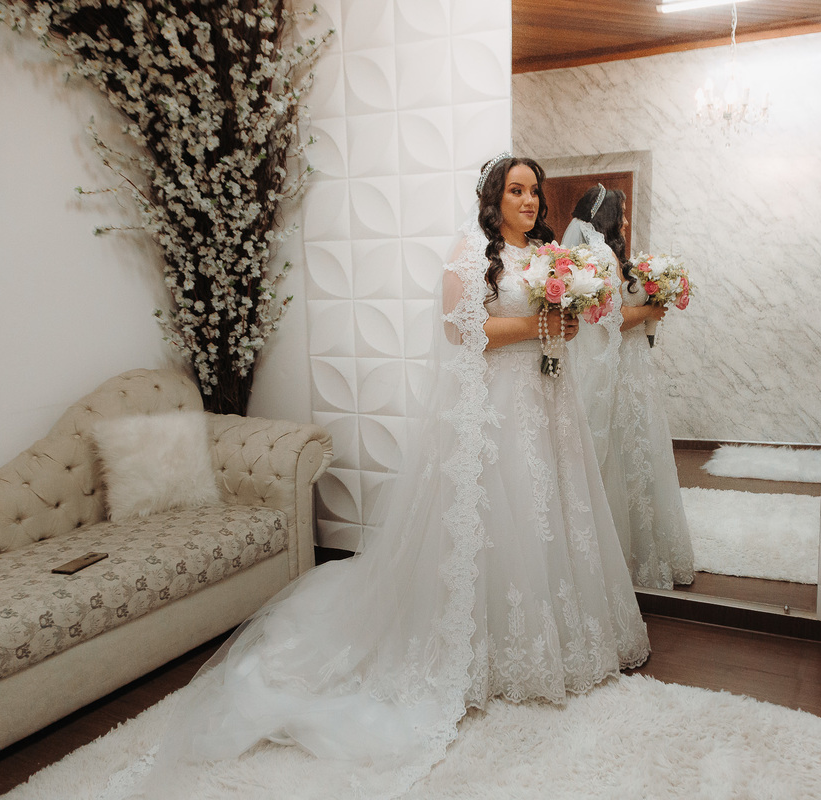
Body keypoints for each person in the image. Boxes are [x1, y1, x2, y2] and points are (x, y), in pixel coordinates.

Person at [112, 156, 650, 800]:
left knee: (547, 513)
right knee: (495, 519)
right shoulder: (469, 253)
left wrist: (569, 320)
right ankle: (481, 648)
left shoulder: (550, 255)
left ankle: (552, 640)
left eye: (534, 191)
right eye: (516, 190)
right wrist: (539, 326)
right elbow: (461, 330)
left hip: (546, 403)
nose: (529, 200)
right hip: (497, 410)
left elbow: (566, 321)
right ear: (494, 197)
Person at [563, 184, 695, 590]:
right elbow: (611, 320)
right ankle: (627, 553)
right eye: (620, 212)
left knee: (636, 452)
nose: (624, 219)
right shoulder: (600, 255)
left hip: (632, 365)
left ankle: (638, 544)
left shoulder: (604, 253)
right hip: (619, 366)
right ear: (605, 215)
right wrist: (653, 308)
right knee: (627, 452)